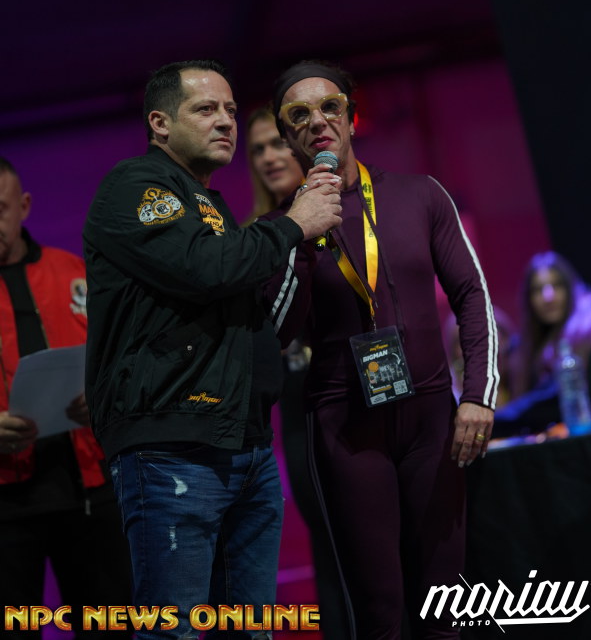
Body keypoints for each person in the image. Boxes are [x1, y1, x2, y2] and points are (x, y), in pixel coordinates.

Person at [83, 59, 341, 640]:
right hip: (172, 449)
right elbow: (206, 268)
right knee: (173, 632)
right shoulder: (135, 186)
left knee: (251, 632)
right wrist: (292, 224)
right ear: (160, 123)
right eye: (205, 109)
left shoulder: (210, 204)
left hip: (244, 446)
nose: (225, 121)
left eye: (229, 109)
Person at [262, 60, 499, 640]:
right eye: (299, 116)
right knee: (379, 614)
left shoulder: (421, 195)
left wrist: (478, 396)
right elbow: (276, 332)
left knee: (445, 608)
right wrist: (302, 233)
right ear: (289, 136)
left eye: (330, 107)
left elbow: (472, 294)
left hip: (431, 420)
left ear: (351, 118)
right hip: (346, 428)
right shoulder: (279, 229)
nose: (318, 122)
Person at [0, 157, 131, 637]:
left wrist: (103, 397)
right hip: (6, 506)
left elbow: (124, 365)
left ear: (24, 206)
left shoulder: (74, 272)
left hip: (90, 489)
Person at [244, 108, 349, 640]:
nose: (268, 157)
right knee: (329, 539)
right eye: (257, 149)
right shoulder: (254, 235)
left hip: (354, 388)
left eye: (276, 144)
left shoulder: (343, 213)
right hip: (295, 402)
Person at [494, 250, 591, 436]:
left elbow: (553, 398)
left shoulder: (590, 327)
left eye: (556, 285)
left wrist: (494, 421)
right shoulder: (534, 348)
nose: (548, 297)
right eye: (538, 289)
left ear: (570, 287)